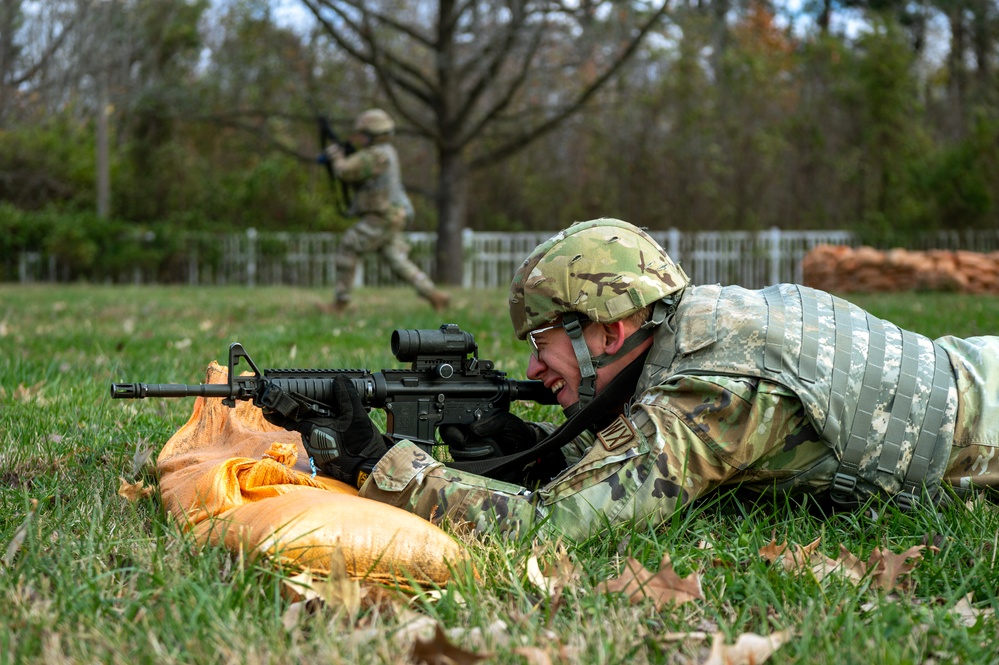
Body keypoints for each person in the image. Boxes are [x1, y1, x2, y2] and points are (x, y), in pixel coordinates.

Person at [280, 218, 999, 542]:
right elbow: (624, 459)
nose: (532, 367)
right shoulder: (700, 323)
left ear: (607, 330)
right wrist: (529, 445)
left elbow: (554, 526)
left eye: (542, 341)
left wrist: (381, 464)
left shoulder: (712, 391)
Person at [320, 108, 449, 314]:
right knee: (396, 259)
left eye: (362, 134)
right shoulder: (386, 152)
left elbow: (345, 171)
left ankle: (340, 303)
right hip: (393, 215)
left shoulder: (376, 155)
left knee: (349, 245)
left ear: (372, 134)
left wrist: (336, 158)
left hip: (383, 216)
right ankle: (434, 295)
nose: (359, 138)